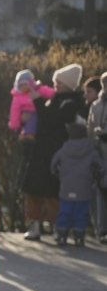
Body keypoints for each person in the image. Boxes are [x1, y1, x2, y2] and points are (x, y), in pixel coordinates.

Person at [22, 63, 86, 241]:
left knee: (53, 192)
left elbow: (52, 119)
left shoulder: (70, 102)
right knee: (33, 189)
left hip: (56, 152)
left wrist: (37, 100)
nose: (55, 84)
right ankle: (34, 223)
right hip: (41, 150)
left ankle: (59, 226)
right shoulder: (55, 98)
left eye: (59, 82)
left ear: (68, 84)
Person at [50, 123, 105, 247]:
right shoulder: (90, 150)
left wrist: (57, 173)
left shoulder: (64, 149)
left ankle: (62, 234)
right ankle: (79, 236)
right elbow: (101, 166)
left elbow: (53, 164)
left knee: (65, 210)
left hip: (66, 186)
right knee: (81, 212)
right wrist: (96, 176)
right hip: (84, 187)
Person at [87, 72, 107, 243]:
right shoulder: (97, 105)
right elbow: (90, 126)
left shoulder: (98, 105)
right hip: (100, 152)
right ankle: (102, 229)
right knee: (100, 190)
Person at [8, 70, 55, 141]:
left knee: (33, 119)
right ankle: (26, 134)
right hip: (26, 112)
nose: (23, 87)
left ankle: (29, 133)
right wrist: (15, 124)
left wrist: (54, 94)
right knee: (30, 119)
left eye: (25, 84)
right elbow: (14, 111)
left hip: (37, 110)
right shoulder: (17, 97)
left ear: (30, 83)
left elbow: (47, 91)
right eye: (20, 85)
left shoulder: (37, 90)